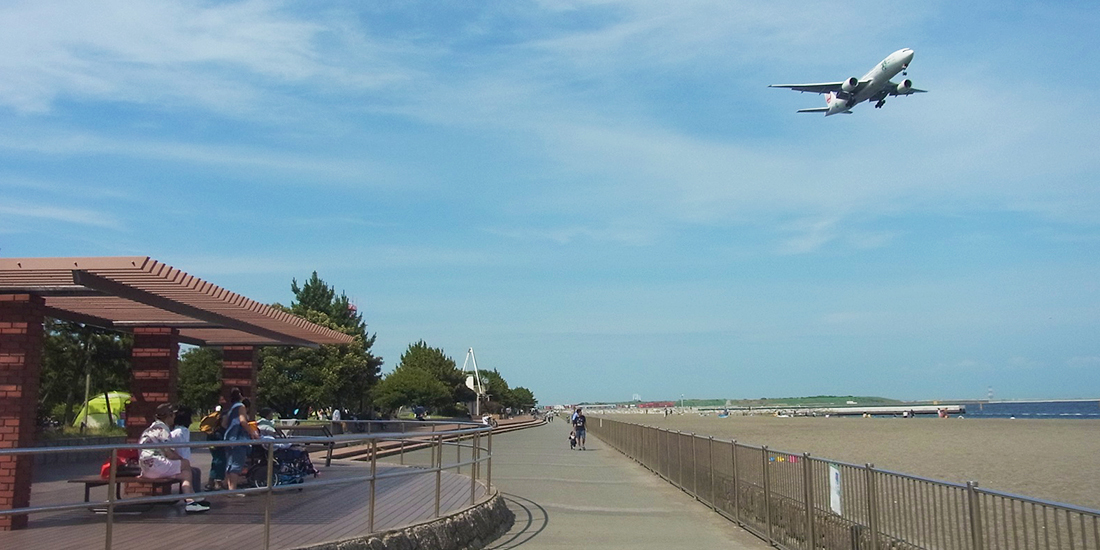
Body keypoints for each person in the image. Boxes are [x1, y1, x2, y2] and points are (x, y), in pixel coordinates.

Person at [139, 403, 209, 513]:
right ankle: (190, 500)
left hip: (146, 468)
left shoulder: (149, 429)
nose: (174, 418)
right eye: (172, 415)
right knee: (185, 464)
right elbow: (169, 453)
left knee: (185, 474)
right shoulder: (163, 430)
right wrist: (181, 459)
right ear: (169, 416)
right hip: (156, 465)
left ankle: (191, 499)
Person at [222, 388, 256, 492]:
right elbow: (243, 422)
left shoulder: (231, 407)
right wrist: (252, 432)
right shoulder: (241, 407)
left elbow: (224, 423)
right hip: (238, 439)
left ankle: (229, 488)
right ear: (241, 395)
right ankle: (233, 490)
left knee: (229, 464)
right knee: (236, 465)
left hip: (228, 438)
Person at [169, 407, 202, 492]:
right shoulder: (177, 433)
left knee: (196, 471)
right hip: (178, 461)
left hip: (183, 461)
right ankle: (191, 494)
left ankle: (193, 494)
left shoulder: (184, 431)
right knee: (193, 472)